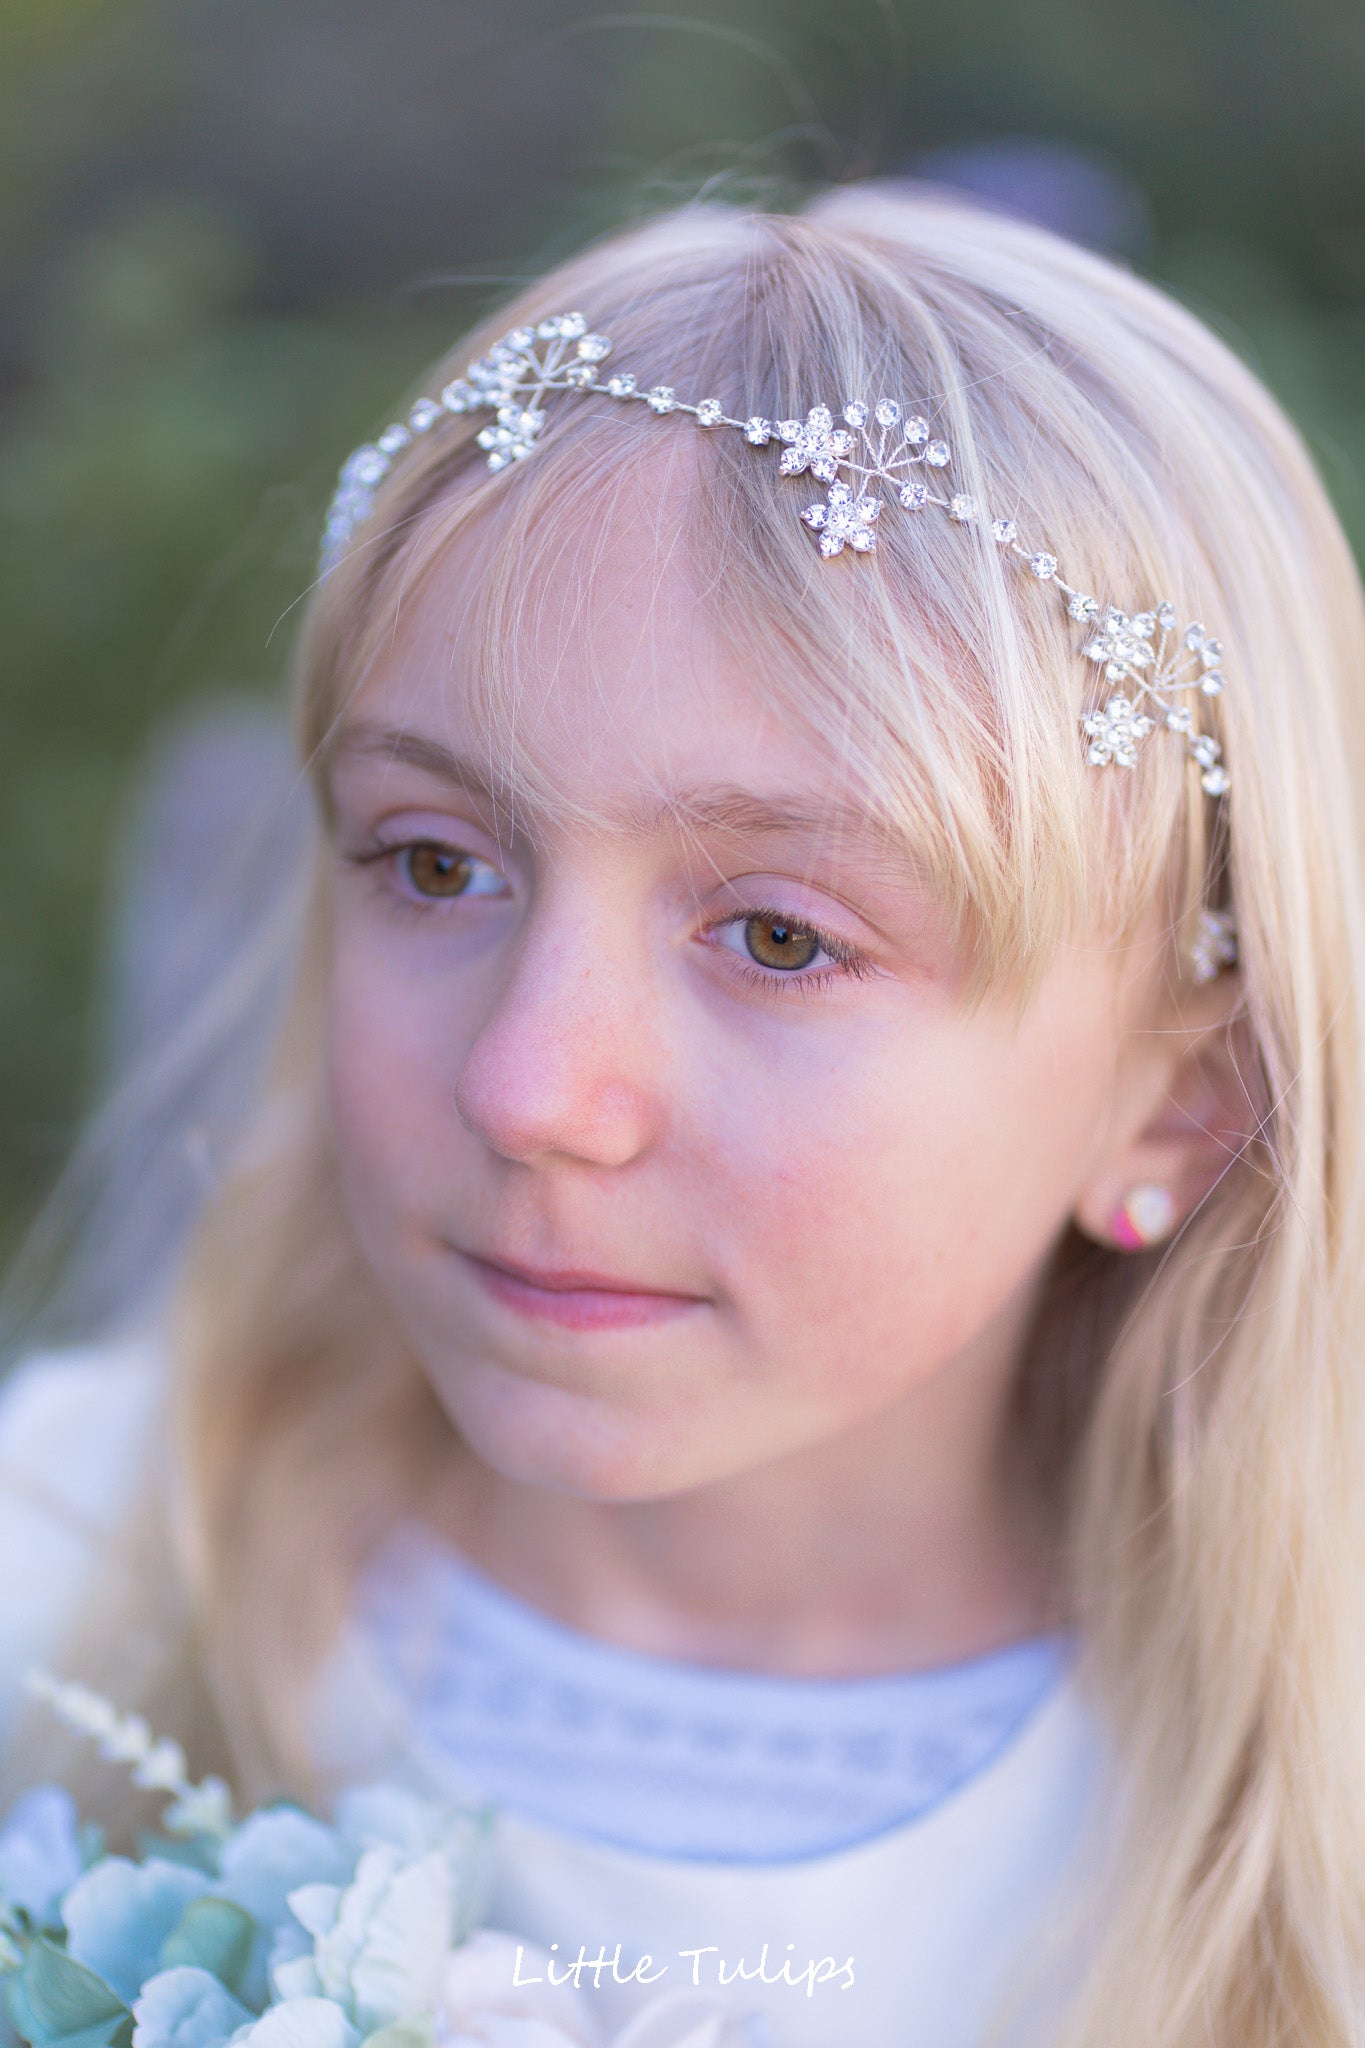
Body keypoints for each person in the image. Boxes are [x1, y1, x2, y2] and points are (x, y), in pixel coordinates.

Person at [3, 182, 1365, 2048]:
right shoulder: (63, 1575)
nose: (529, 1089)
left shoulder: (1296, 1826)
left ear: (1178, 1101)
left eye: (783, 937)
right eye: (434, 861)